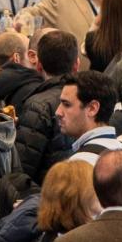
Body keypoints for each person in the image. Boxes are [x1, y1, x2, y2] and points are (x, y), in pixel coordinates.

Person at [13, 30, 84, 180]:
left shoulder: (37, 106)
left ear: (38, 65)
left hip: (47, 193)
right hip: (82, 188)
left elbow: (22, 169)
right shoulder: (90, 99)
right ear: (77, 64)